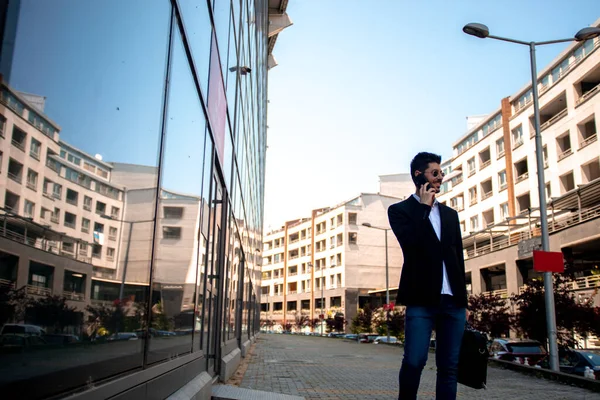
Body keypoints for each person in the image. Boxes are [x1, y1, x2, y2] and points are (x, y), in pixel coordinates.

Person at [388, 152, 468, 400]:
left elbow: (458, 260)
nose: (440, 178)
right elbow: (411, 245)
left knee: (449, 367)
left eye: (441, 173)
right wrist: (423, 208)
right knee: (414, 361)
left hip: (452, 302)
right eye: (435, 173)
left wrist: (464, 302)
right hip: (421, 300)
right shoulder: (400, 211)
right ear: (418, 175)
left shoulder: (450, 215)